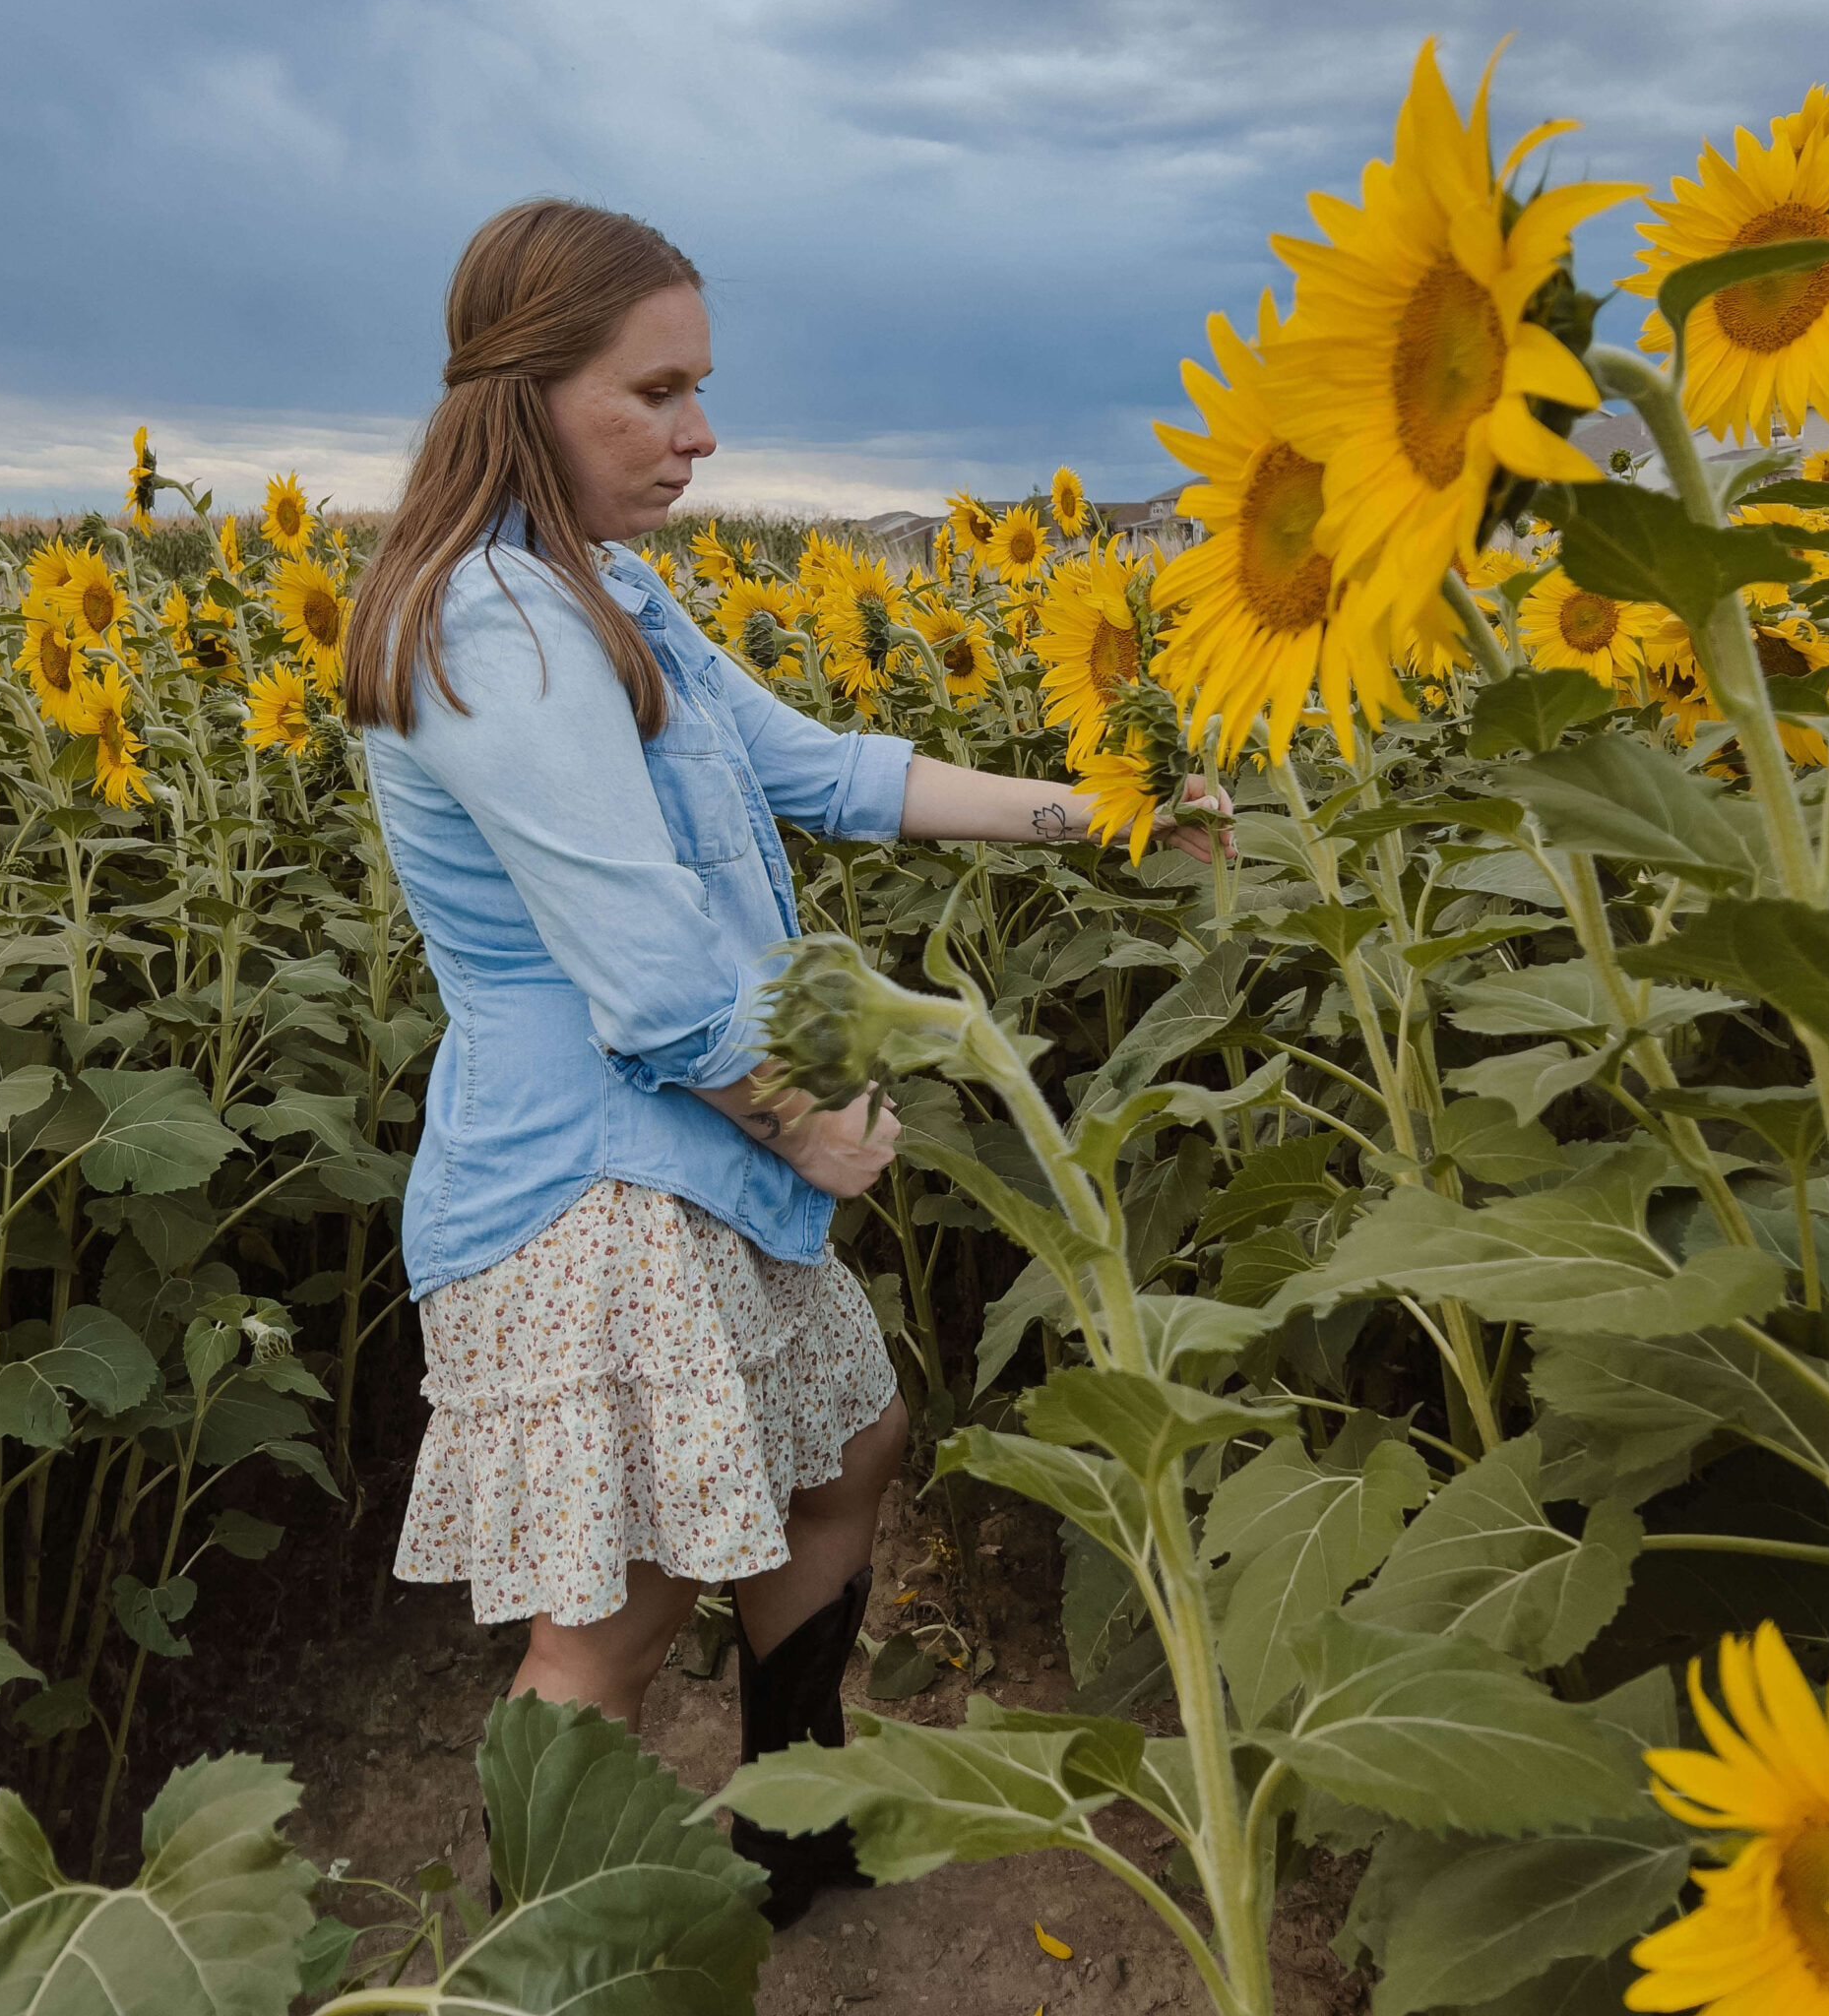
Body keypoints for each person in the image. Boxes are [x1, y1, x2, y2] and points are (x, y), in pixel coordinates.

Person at [345, 198, 1228, 1925]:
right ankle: (541, 1956)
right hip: (597, 1191)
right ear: (527, 394)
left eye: (701, 388)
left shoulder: (611, 596)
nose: (700, 433)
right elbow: (654, 976)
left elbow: (827, 771)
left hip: (694, 1157)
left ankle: (792, 1824)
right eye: (656, 393)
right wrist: (810, 1120)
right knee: (611, 1621)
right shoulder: (488, 630)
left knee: (848, 1451)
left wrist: (1104, 812)